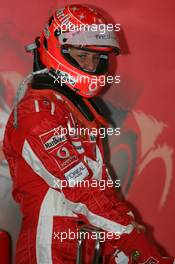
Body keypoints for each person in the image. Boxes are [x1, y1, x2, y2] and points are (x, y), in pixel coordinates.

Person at [3, 4, 175, 264]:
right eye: (83, 55)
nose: (91, 65)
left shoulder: (68, 109)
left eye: (97, 58)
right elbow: (82, 190)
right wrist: (134, 244)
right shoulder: (37, 113)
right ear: (58, 48)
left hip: (86, 243)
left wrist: (124, 248)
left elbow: (99, 192)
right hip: (49, 246)